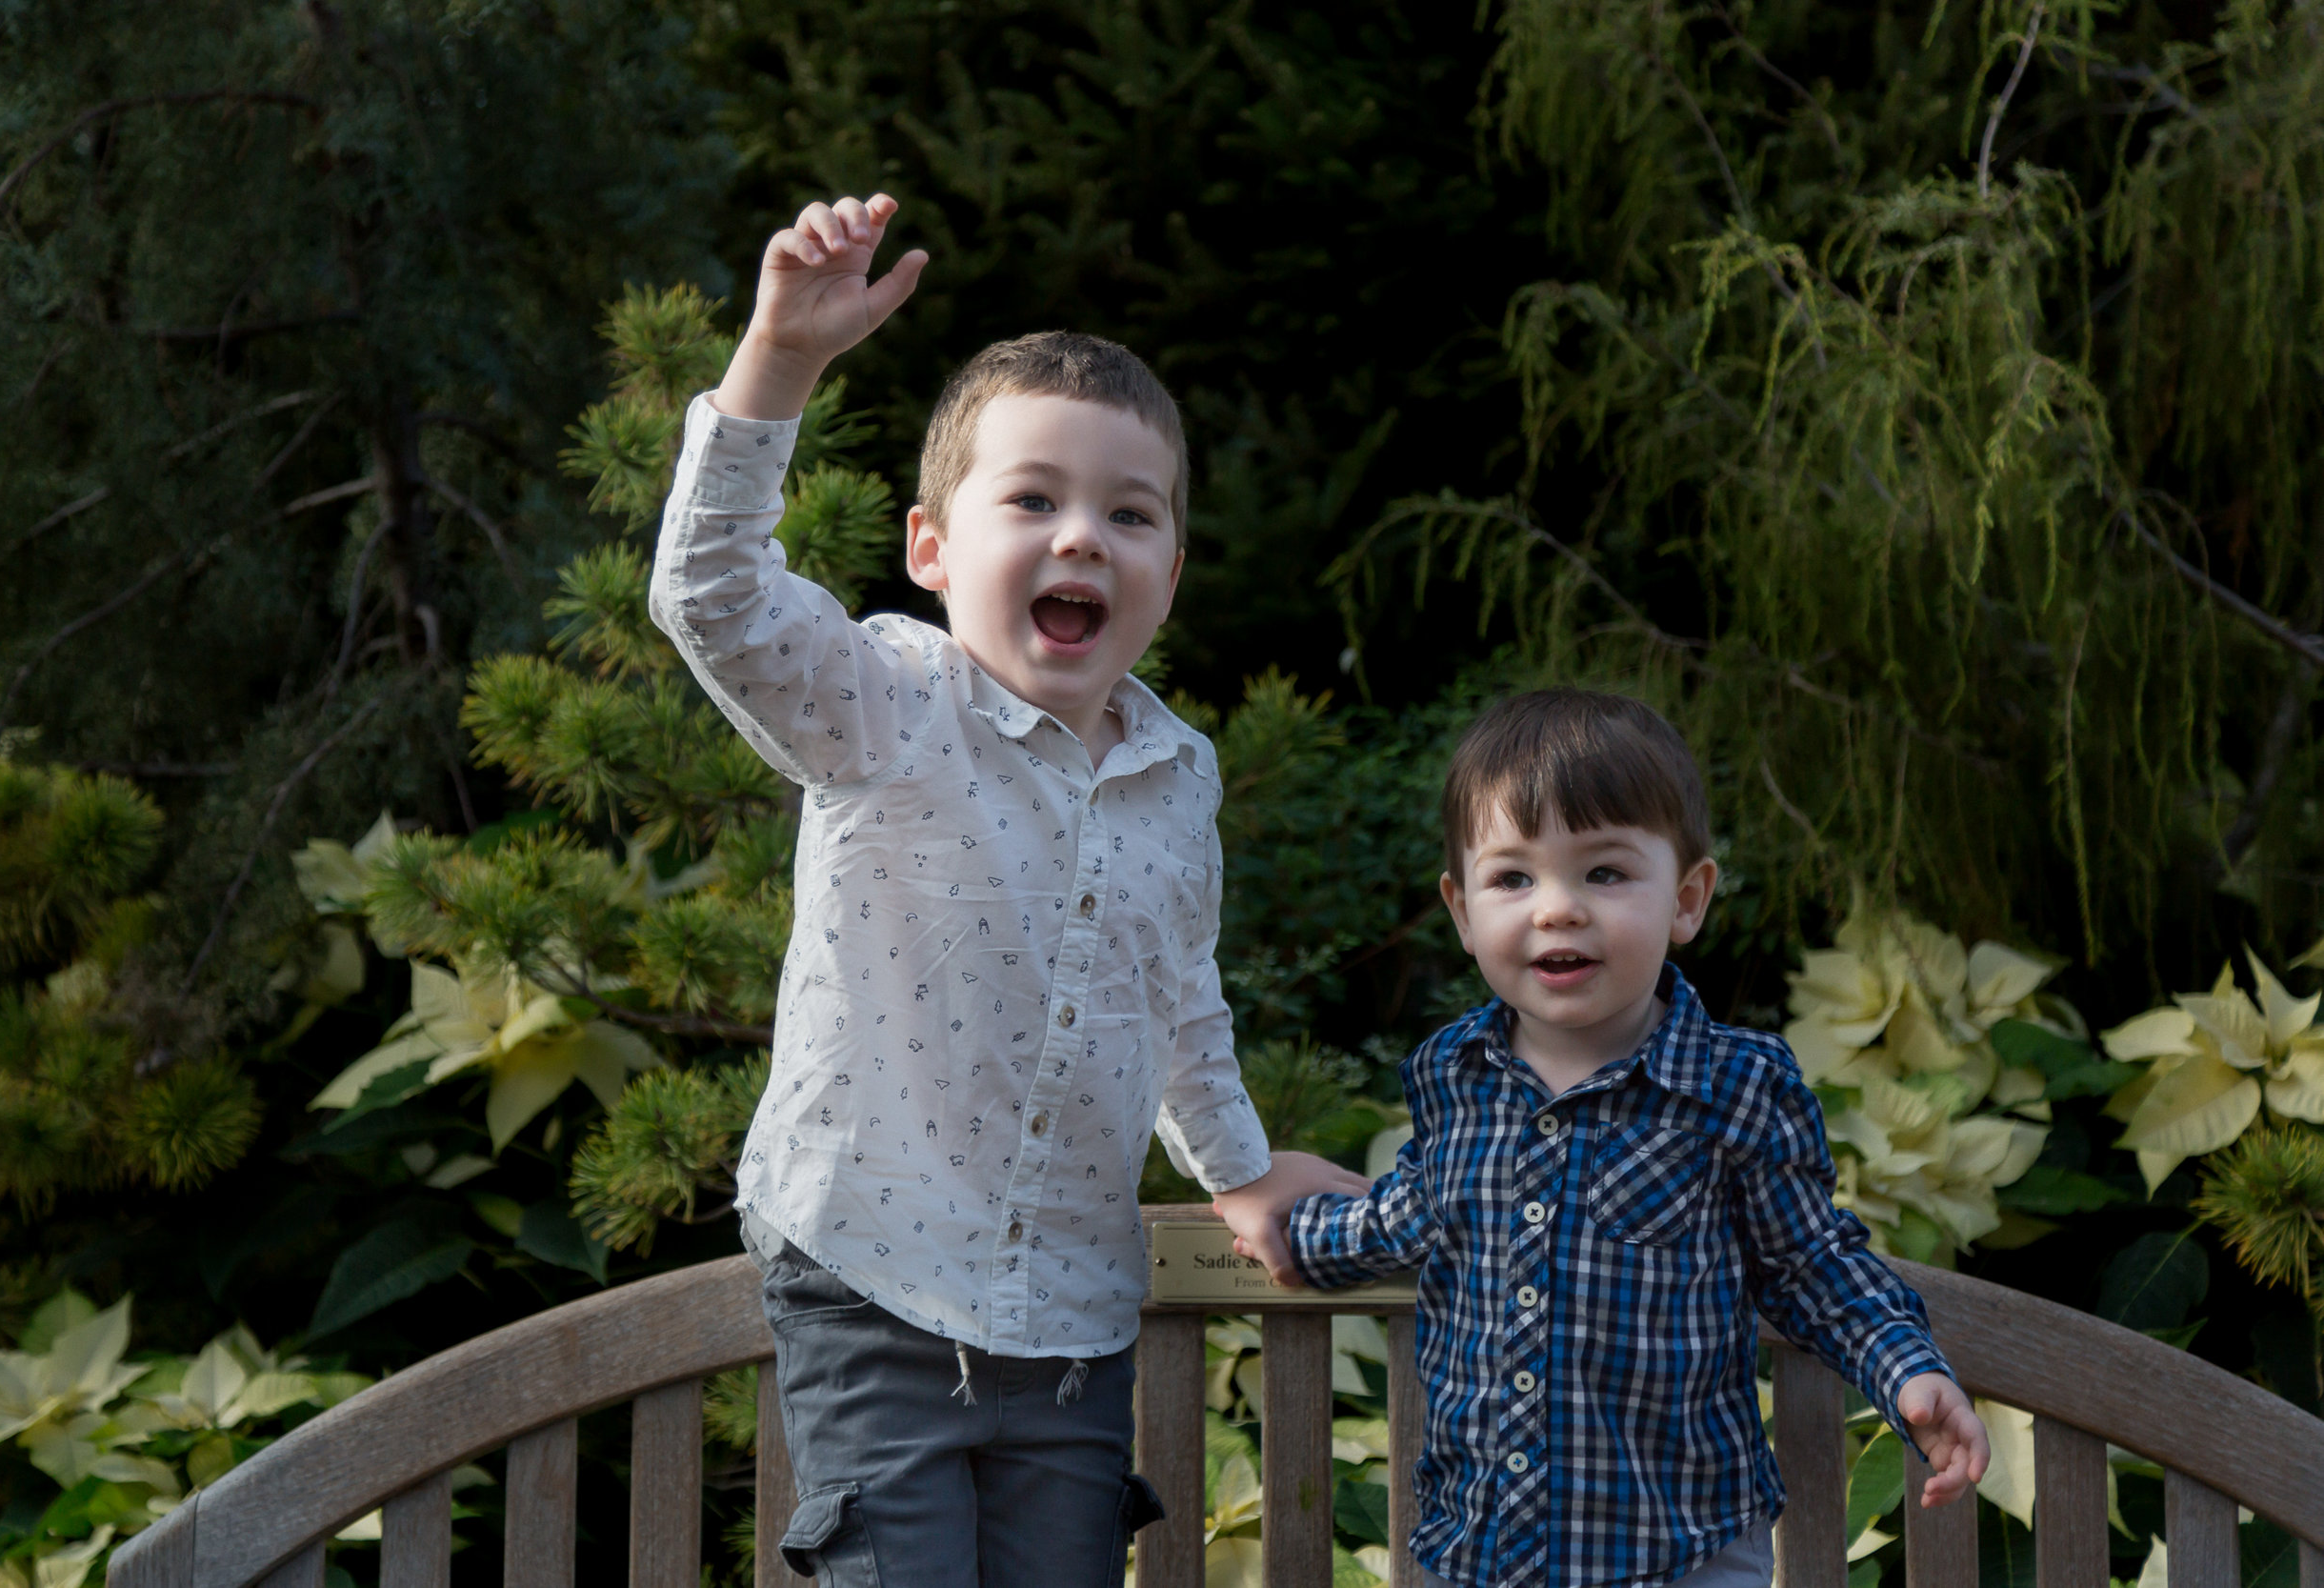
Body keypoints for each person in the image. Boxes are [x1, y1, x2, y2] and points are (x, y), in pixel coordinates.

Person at [648, 191, 1366, 1588]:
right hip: (871, 1279)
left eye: (1128, 512)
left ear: (1170, 567)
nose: (1082, 536)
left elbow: (1178, 993)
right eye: (1032, 499)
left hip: (1073, 1323)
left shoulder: (1178, 770)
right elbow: (714, 595)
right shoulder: (886, 700)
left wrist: (1238, 1164)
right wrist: (778, 359)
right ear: (933, 548)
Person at [1237, 689, 1990, 1588]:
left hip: (1682, 1554)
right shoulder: (1454, 1078)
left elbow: (1809, 1264)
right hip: (1479, 1555)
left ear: (1687, 898)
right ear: (1462, 911)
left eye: (1603, 873)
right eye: (1513, 877)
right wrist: (1279, 1211)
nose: (1556, 908)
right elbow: (1405, 1222)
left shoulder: (1734, 1087)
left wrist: (1908, 1371)